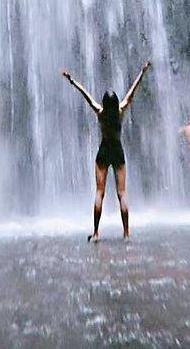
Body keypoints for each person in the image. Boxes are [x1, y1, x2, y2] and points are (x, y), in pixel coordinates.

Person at [61, 61, 151, 242]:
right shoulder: (121, 111)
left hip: (103, 150)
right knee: (122, 193)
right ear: (116, 102)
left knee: (99, 193)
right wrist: (143, 72)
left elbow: (86, 95)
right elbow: (132, 91)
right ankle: (126, 233)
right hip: (117, 150)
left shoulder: (100, 112)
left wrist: (72, 80)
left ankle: (95, 233)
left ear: (104, 102)